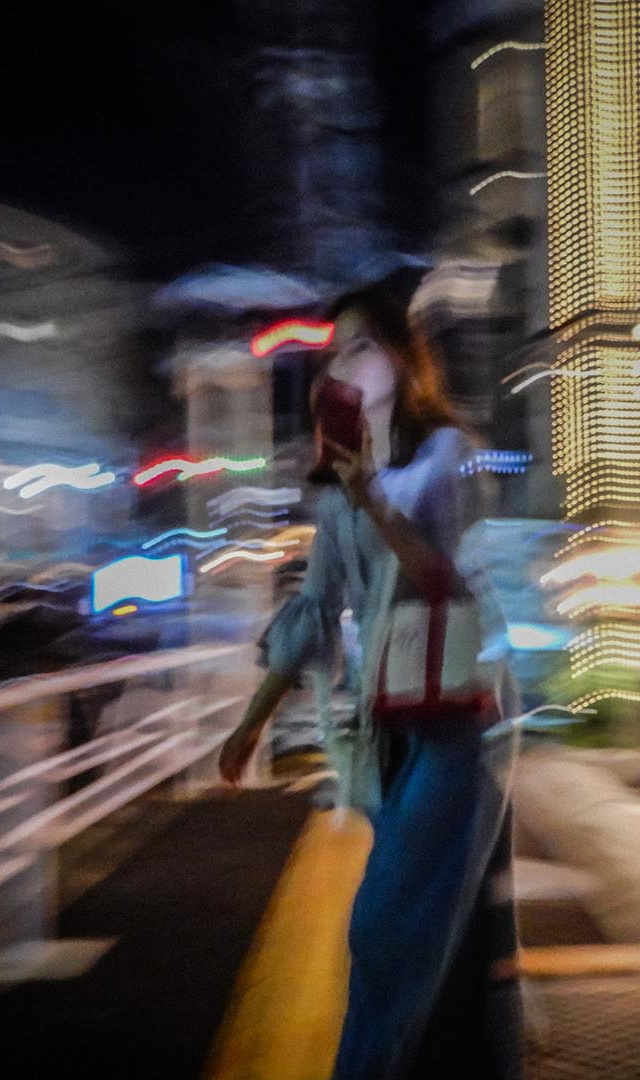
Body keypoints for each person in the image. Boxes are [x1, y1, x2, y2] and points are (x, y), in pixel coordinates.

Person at [218, 278, 522, 1080]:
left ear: (400, 358)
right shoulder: (339, 495)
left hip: (460, 723)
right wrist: (251, 722)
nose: (343, 363)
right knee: (436, 943)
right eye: (334, 352)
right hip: (391, 724)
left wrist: (374, 501)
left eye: (361, 345)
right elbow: (314, 609)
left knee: (384, 927)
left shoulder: (445, 455)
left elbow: (444, 581)